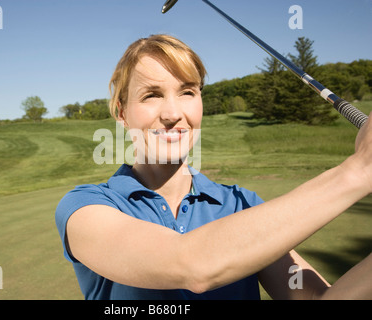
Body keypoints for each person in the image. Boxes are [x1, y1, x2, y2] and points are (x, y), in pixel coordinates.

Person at [55, 34, 372, 300]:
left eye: (188, 92)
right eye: (151, 95)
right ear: (122, 114)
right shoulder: (84, 207)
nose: (172, 113)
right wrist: (359, 169)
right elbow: (191, 265)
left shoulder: (241, 205)